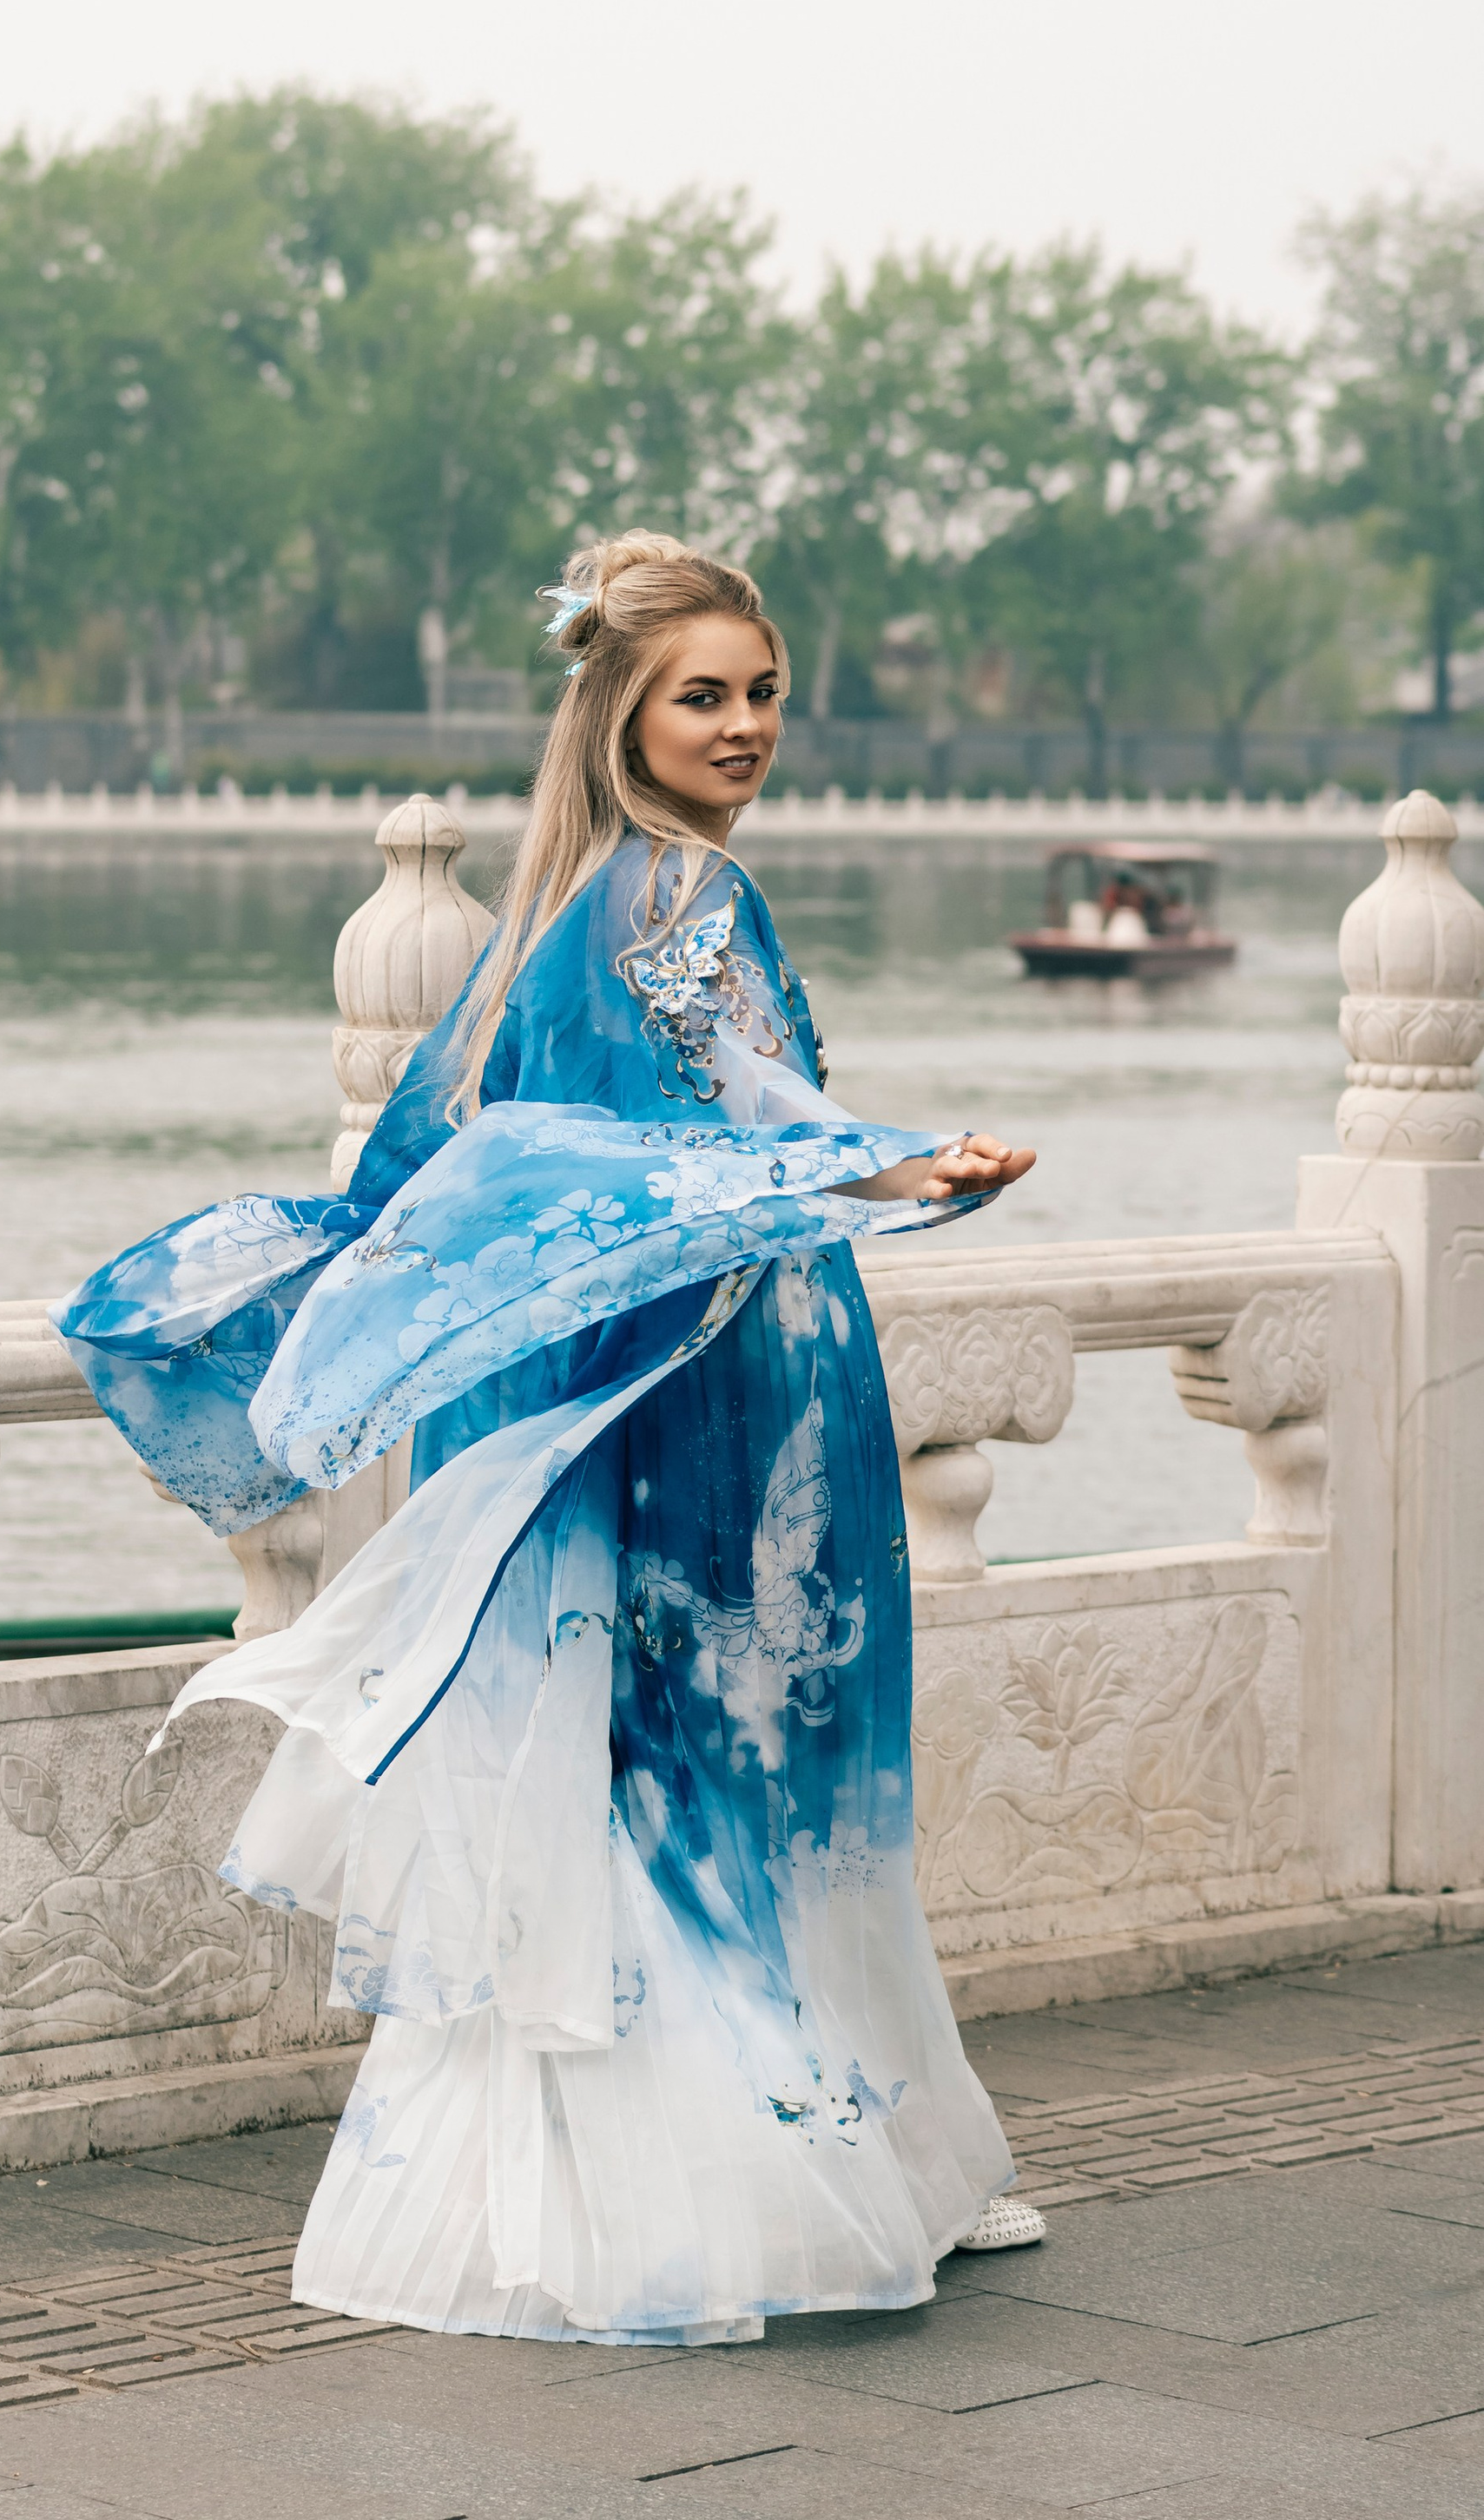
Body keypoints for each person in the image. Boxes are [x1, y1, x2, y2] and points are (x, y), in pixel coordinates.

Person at [57, 532, 1043, 2347]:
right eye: (702, 696)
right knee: (734, 1747)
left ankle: (778, 2146)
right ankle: (753, 2180)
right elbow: (697, 1140)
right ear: (616, 710)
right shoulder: (672, 901)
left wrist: (882, 1172)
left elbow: (534, 1150)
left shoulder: (564, 913)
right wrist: (899, 1171)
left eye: (759, 693)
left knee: (646, 1753)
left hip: (682, 1358)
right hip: (710, 1386)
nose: (743, 725)